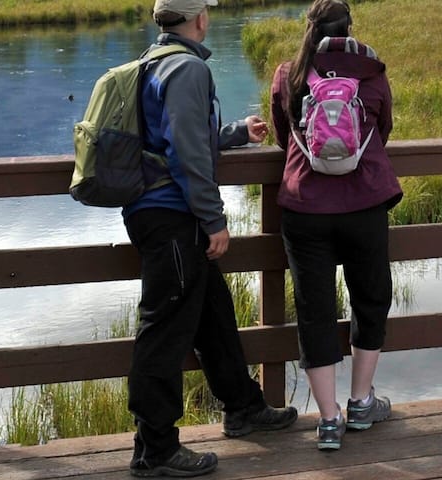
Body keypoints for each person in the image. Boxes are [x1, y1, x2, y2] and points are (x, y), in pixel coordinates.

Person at [122, 0, 298, 476]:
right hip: (172, 216)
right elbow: (184, 149)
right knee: (163, 331)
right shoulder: (187, 69)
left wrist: (236, 133)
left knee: (212, 313)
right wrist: (213, 217)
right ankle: (155, 449)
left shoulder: (152, 61)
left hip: (158, 211)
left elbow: (181, 137)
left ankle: (243, 406)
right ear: (199, 18)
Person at [267, 0, 401, 452]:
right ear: (350, 29)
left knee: (314, 309)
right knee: (371, 298)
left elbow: (287, 136)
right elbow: (381, 132)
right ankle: (362, 402)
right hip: (364, 204)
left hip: (305, 208)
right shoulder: (371, 73)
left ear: (310, 30)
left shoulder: (289, 74)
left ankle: (328, 420)